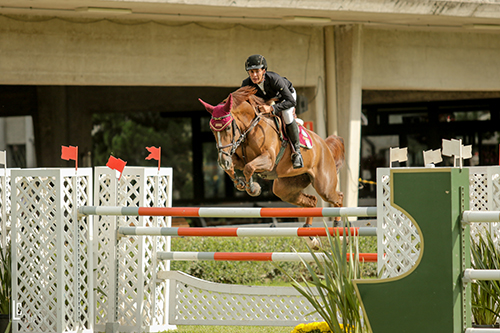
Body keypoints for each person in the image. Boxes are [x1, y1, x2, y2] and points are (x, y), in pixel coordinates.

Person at [241, 54, 304, 169]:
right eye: (251, 72)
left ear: (263, 70)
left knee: (286, 114)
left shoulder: (274, 79)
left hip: (286, 97)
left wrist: (272, 109)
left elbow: (291, 101)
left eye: (257, 71)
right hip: (267, 100)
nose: (254, 75)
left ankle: (297, 152)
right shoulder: (246, 84)